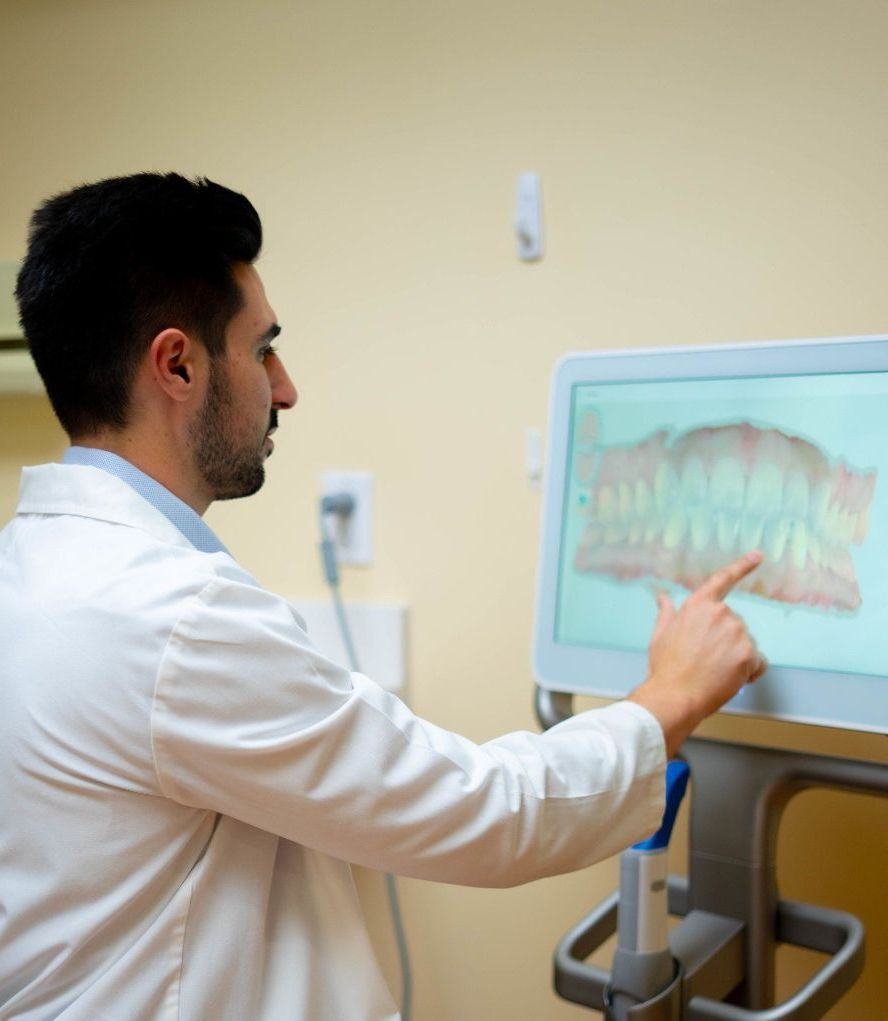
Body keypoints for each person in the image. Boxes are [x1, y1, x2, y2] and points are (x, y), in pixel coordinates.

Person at [0, 173, 766, 1021]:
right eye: (263, 350)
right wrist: (674, 693)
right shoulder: (173, 620)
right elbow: (482, 811)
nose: (284, 387)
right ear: (177, 363)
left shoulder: (31, 565)